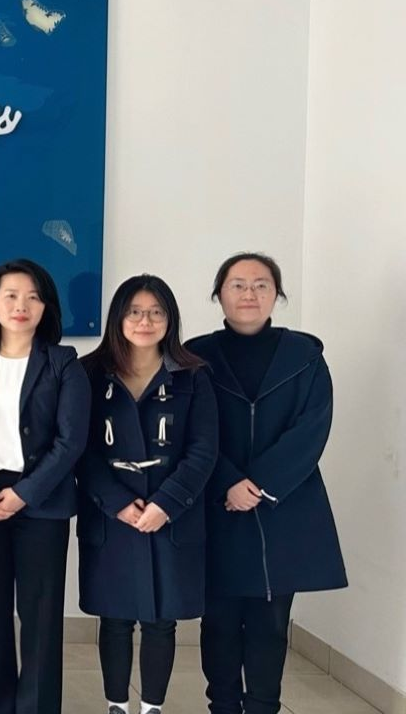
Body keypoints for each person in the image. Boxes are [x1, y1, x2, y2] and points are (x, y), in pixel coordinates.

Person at [187, 253, 346, 714]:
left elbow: (311, 428)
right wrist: (228, 481)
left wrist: (258, 484)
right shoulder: (194, 357)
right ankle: (222, 705)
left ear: (277, 294)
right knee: (218, 622)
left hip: (283, 510)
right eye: (237, 284)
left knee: (270, 624)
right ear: (219, 295)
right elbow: (190, 431)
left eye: (261, 284)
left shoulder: (305, 357)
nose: (249, 294)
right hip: (217, 507)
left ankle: (263, 706)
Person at [76, 275, 218, 714]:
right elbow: (78, 448)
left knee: (161, 620)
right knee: (115, 617)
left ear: (170, 320)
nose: (145, 321)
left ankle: (152, 706)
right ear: (118, 318)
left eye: (156, 312)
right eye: (135, 312)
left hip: (171, 515)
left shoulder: (193, 375)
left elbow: (203, 449)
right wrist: (116, 502)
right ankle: (116, 705)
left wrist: (166, 504)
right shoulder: (88, 373)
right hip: (111, 516)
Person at [0, 258, 89, 714]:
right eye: (11, 295)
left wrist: (25, 493)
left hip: (42, 501)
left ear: (46, 306)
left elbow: (71, 442)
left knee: (41, 616)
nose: (21, 305)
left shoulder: (63, 362)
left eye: (33, 297)